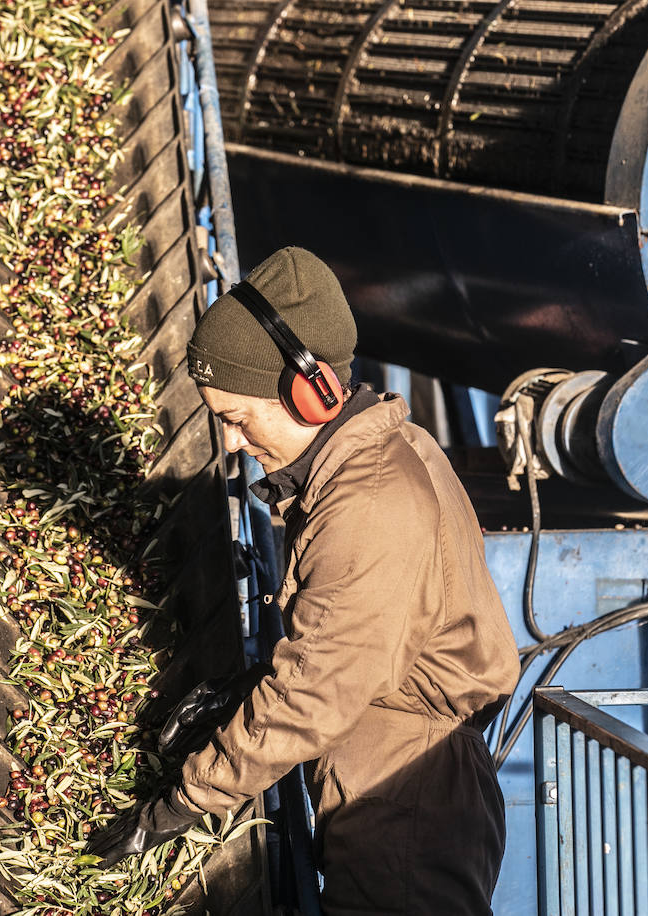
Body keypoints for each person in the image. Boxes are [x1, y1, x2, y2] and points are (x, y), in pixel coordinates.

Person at [88, 246, 520, 914]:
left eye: (235, 418)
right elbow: (348, 646)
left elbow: (311, 698)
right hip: (392, 777)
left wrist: (174, 807)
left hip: (406, 803)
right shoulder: (376, 459)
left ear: (309, 392)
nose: (230, 443)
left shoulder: (366, 506)